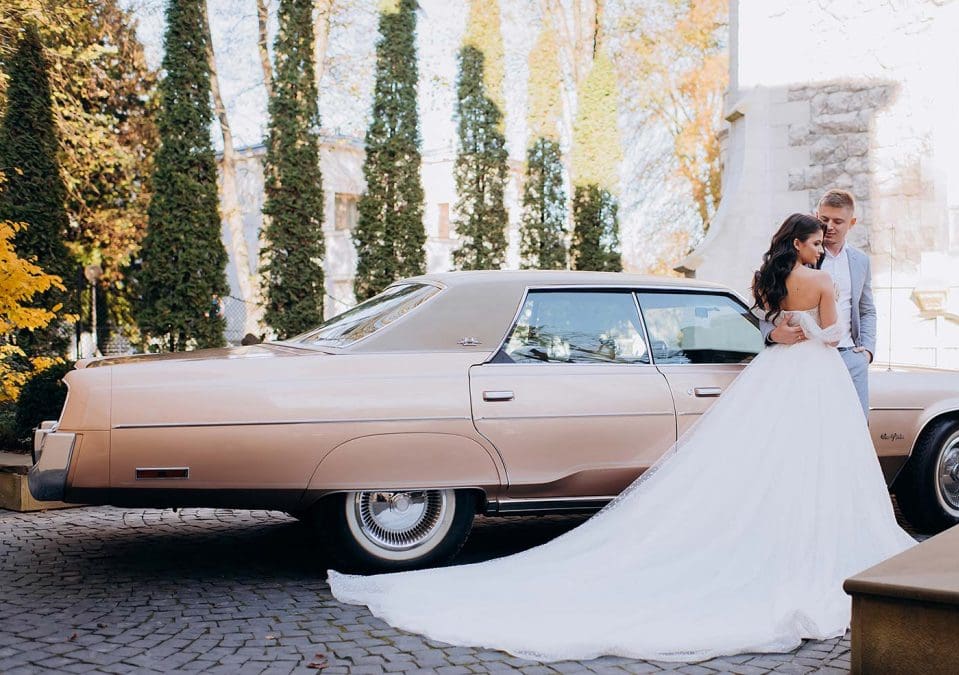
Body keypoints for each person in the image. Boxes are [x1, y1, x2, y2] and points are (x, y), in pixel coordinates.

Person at [328, 213, 915, 663]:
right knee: (810, 468)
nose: (822, 245)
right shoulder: (820, 281)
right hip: (810, 377)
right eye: (818, 239)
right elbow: (835, 338)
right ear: (804, 241)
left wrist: (787, 330)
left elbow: (766, 331)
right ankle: (804, 543)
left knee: (760, 470)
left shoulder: (771, 280)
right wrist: (813, 328)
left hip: (774, 372)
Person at [761, 189, 875, 417]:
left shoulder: (861, 261)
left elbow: (867, 309)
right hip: (807, 358)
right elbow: (765, 307)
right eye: (824, 219)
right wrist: (772, 335)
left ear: (852, 223)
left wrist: (867, 352)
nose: (830, 226)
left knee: (856, 427)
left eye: (838, 221)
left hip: (850, 355)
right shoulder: (797, 258)